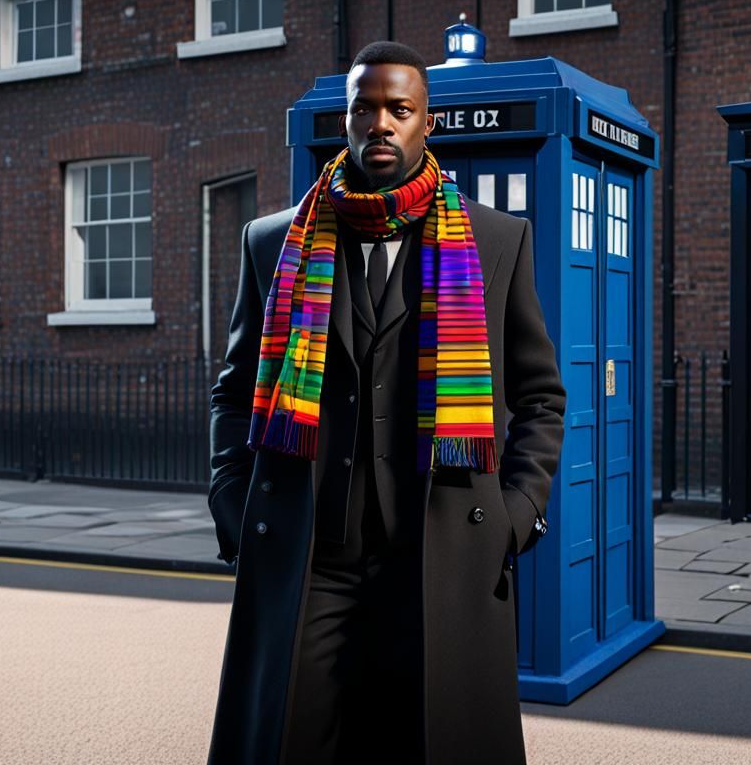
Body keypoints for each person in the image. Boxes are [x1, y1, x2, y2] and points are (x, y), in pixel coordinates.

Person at [206, 40, 566, 765]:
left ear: (425, 122)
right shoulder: (272, 242)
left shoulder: (497, 241)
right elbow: (236, 389)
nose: (381, 124)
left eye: (399, 109)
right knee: (287, 742)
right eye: (365, 109)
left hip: (439, 553)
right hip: (312, 555)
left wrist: (516, 515)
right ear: (345, 122)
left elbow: (540, 396)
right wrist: (232, 500)